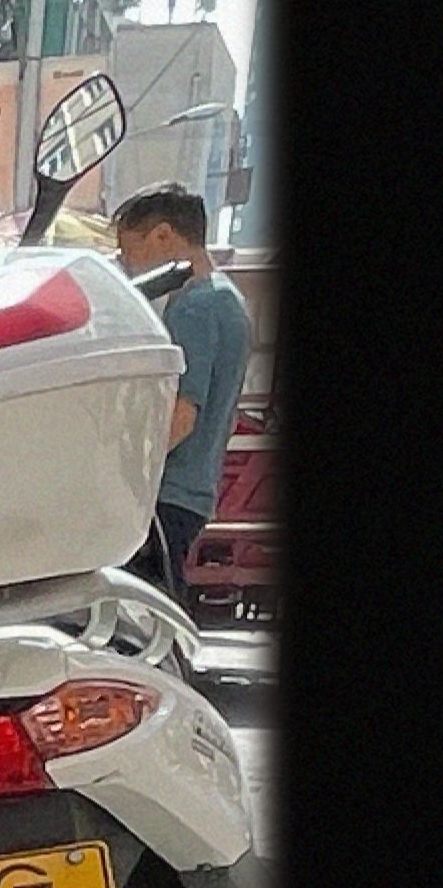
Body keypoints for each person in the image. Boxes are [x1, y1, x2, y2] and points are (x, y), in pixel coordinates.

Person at [110, 181, 250, 595]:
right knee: (159, 602)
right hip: (193, 490)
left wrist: (128, 470)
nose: (127, 264)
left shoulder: (195, 306)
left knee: (141, 610)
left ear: (163, 235)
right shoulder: (228, 300)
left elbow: (182, 414)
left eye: (129, 249)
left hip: (166, 492)